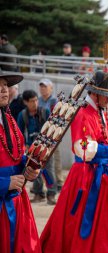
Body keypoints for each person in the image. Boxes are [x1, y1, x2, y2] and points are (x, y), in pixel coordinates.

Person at [40, 70, 108, 252]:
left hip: (102, 175)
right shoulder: (83, 114)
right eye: (106, 95)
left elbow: (103, 138)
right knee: (79, 221)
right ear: (95, 94)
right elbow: (86, 149)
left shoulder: (99, 111)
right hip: (86, 177)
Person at [0, 71, 41, 252]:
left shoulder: (9, 119)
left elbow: (17, 155)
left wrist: (30, 167)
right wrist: (5, 182)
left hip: (18, 200)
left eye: (4, 86)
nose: (4, 91)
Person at [17, 89, 57, 205]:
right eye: (31, 101)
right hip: (32, 148)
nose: (35, 103)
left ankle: (51, 193)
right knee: (34, 170)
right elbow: (19, 133)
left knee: (48, 171)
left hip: (47, 147)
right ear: (25, 102)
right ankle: (38, 193)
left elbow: (53, 127)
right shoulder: (23, 115)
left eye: (36, 100)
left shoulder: (45, 112)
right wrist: (24, 147)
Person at [38, 78, 64, 191]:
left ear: (51, 88)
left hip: (53, 135)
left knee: (55, 159)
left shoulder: (55, 101)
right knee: (41, 161)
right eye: (41, 86)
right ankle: (46, 185)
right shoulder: (37, 100)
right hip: (41, 135)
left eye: (45, 86)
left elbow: (60, 118)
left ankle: (59, 182)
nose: (43, 88)